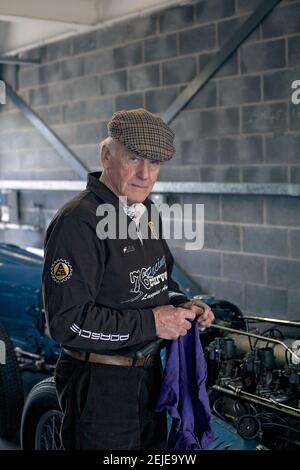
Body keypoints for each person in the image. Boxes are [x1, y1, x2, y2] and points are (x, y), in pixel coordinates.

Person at [42, 108, 214, 450]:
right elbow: (67, 323)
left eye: (154, 163)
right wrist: (154, 324)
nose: (144, 174)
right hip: (101, 385)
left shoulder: (144, 211)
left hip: (149, 378)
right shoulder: (79, 221)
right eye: (134, 158)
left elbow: (156, 280)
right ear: (107, 155)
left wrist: (182, 304)